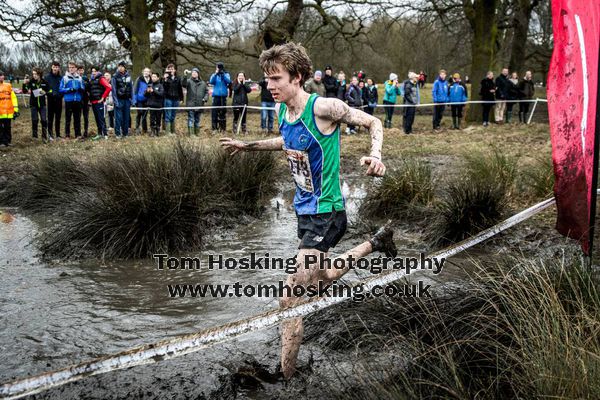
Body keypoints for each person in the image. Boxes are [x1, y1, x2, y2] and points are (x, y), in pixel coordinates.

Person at [219, 42, 397, 380]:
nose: (268, 86)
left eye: (276, 79)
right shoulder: (283, 112)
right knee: (324, 276)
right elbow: (286, 143)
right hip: (305, 211)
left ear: (298, 77)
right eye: (266, 79)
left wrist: (376, 155)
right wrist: (248, 146)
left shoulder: (324, 107)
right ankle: (377, 242)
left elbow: (374, 122)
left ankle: (285, 377)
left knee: (290, 296)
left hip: (327, 211)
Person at [22, 68, 50, 142]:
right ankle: (35, 137)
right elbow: (25, 90)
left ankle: (44, 137)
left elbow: (50, 90)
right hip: (33, 104)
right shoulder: (31, 82)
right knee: (35, 120)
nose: (34, 75)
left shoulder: (44, 82)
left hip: (42, 105)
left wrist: (44, 92)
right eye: (33, 74)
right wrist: (24, 84)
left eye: (36, 74)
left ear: (39, 74)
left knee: (44, 120)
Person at [59, 61, 84, 139]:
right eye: (70, 67)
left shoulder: (79, 78)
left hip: (77, 100)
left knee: (77, 118)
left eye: (73, 67)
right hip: (69, 101)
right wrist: (69, 89)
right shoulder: (65, 78)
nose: (71, 69)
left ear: (76, 68)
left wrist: (81, 89)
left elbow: (83, 87)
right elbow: (61, 89)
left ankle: (78, 134)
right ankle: (67, 135)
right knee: (68, 118)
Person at [182, 67, 208, 136]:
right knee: (191, 119)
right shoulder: (188, 81)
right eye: (193, 72)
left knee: (197, 120)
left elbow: (206, 92)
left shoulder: (203, 83)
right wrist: (185, 75)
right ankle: (191, 134)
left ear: (198, 74)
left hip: (199, 104)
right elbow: (183, 84)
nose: (194, 73)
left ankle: (197, 133)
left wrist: (205, 98)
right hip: (191, 104)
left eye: (195, 72)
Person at [88, 67, 112, 140]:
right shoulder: (91, 79)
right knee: (97, 119)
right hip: (93, 102)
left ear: (98, 71)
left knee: (101, 118)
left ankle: (105, 134)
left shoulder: (101, 78)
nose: (93, 73)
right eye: (92, 71)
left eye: (95, 71)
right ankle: (99, 134)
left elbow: (108, 87)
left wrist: (102, 98)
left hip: (99, 102)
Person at [111, 61, 134, 138]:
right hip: (119, 99)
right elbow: (113, 90)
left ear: (125, 67)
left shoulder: (128, 76)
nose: (120, 68)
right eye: (119, 66)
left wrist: (132, 99)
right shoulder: (114, 76)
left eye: (122, 66)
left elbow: (131, 88)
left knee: (126, 117)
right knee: (118, 118)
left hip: (127, 100)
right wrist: (115, 101)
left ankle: (125, 133)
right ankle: (117, 133)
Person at [209, 62, 231, 134]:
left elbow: (228, 81)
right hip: (216, 97)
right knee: (214, 113)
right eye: (217, 67)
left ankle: (222, 128)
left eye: (219, 67)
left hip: (223, 97)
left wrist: (223, 74)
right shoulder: (214, 75)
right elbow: (211, 81)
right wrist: (216, 73)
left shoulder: (226, 74)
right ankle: (214, 128)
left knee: (222, 113)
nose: (218, 69)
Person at [162, 63, 183, 134]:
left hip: (176, 99)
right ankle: (168, 132)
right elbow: (163, 88)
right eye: (169, 69)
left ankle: (173, 131)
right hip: (168, 99)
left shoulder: (178, 78)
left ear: (175, 70)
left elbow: (180, 89)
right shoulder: (166, 78)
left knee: (173, 115)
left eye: (172, 69)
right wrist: (165, 79)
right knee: (168, 115)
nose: (171, 70)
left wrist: (181, 98)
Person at [0, 70, 19, 147]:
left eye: (2, 75)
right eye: (0, 75)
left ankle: (8, 141)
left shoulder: (8, 85)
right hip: (0, 112)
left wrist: (16, 109)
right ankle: (1, 142)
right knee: (0, 128)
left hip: (8, 111)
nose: (2, 76)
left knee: (8, 127)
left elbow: (13, 97)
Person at [45, 61, 63, 139]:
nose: (55, 68)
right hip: (50, 100)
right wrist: (51, 93)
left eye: (57, 67)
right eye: (54, 67)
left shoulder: (61, 78)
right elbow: (45, 89)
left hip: (59, 100)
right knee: (50, 118)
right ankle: (50, 134)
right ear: (52, 67)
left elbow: (63, 89)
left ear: (59, 68)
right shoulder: (47, 77)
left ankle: (58, 134)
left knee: (58, 118)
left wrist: (60, 95)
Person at [145, 72, 165, 137]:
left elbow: (161, 94)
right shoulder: (149, 85)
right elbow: (145, 95)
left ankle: (158, 131)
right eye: (152, 77)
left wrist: (154, 91)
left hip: (158, 105)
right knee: (152, 119)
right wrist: (147, 92)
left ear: (158, 78)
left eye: (154, 77)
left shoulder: (160, 85)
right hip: (151, 105)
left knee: (158, 118)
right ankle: (152, 131)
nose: (153, 78)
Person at [133, 67, 152, 134]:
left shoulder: (151, 79)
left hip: (147, 100)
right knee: (139, 113)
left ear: (149, 72)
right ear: (143, 72)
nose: (146, 72)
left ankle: (145, 129)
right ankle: (137, 127)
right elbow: (135, 89)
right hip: (139, 99)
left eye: (148, 71)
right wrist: (134, 100)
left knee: (145, 114)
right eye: (145, 71)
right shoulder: (139, 79)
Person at [78, 66, 90, 137]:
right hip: (78, 100)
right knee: (78, 117)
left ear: (83, 70)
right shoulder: (75, 78)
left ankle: (86, 131)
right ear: (77, 71)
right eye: (79, 70)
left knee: (86, 117)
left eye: (82, 70)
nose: (80, 71)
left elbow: (89, 88)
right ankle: (78, 132)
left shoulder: (85, 78)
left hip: (85, 100)